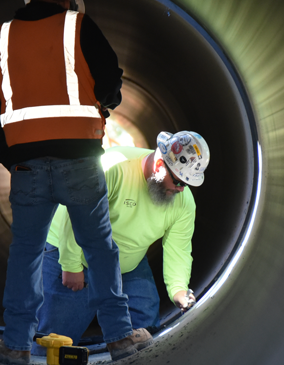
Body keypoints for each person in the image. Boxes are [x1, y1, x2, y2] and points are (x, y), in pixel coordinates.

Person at [0, 0, 152, 364]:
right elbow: (110, 80)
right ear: (68, 1)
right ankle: (121, 337)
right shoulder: (80, 26)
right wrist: (100, 110)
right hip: (81, 161)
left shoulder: (2, 37)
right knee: (101, 250)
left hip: (28, 168)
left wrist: (9, 157)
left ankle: (16, 345)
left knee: (27, 254)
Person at [32, 131, 210, 354]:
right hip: (73, 250)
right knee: (56, 340)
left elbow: (178, 249)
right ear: (158, 164)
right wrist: (70, 265)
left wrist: (179, 291)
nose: (180, 189)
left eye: (186, 183)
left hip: (126, 259)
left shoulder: (182, 202)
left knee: (145, 325)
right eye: (177, 180)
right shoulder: (113, 167)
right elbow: (76, 215)